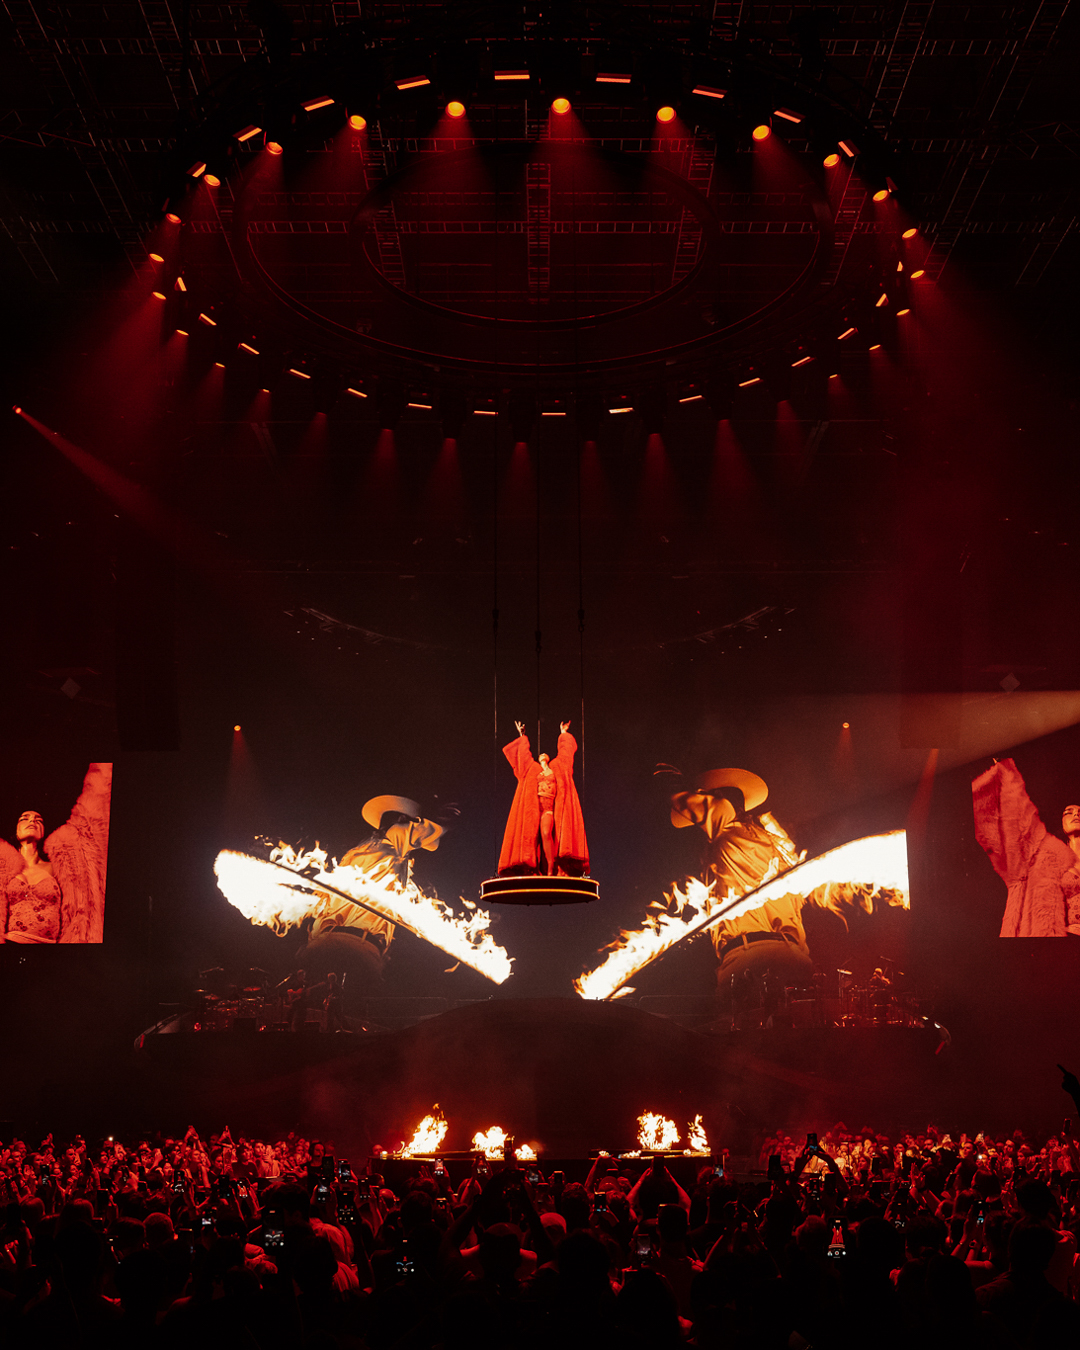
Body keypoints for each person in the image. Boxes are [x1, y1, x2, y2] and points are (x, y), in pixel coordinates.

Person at [0, 763, 112, 943]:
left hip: (50, 948)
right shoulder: (3, 867)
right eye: (24, 819)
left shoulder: (58, 867)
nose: (32, 821)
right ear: (16, 830)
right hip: (12, 944)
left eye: (38, 820)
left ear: (44, 831)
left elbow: (91, 817)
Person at [972, 757, 1080, 936]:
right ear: (1062, 823)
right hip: (1059, 939)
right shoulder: (1044, 854)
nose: (1076, 815)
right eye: (1069, 813)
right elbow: (1017, 824)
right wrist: (1006, 777)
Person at [498, 720, 588, 877]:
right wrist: (522, 736)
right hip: (533, 811)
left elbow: (566, 755)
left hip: (548, 810)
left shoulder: (557, 768)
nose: (543, 754)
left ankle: (551, 868)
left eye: (545, 755)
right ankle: (534, 869)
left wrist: (563, 733)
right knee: (532, 839)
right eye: (540, 755)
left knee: (546, 833)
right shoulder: (532, 770)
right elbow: (523, 757)